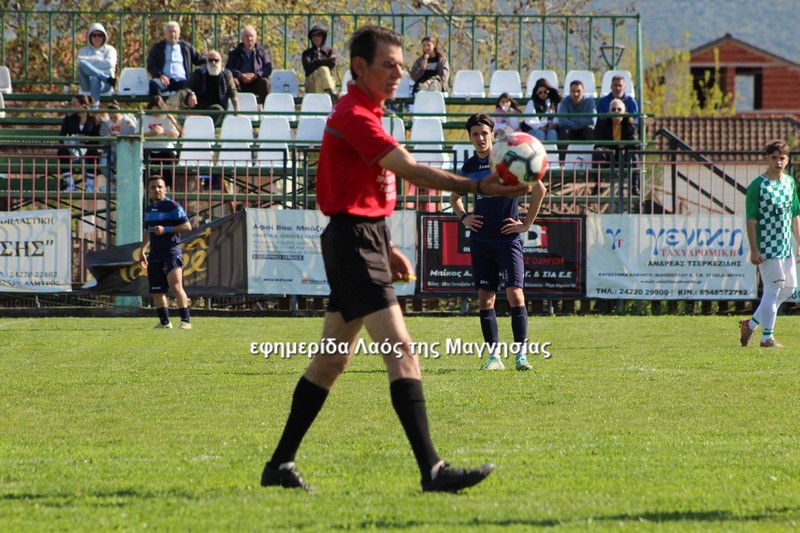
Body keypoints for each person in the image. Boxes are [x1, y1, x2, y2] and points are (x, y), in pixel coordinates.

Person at [261, 25, 529, 494]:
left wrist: (383, 246)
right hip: (353, 242)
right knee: (401, 351)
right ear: (359, 67)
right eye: (388, 65)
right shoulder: (354, 115)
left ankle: (279, 465)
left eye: (402, 66)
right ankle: (433, 471)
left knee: (330, 361)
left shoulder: (370, 112)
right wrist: (479, 185)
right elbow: (409, 169)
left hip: (360, 240)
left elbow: (361, 193)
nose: (398, 74)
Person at [449, 113, 546, 371]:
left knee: (515, 293)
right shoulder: (469, 167)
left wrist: (526, 224)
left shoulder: (509, 158)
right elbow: (454, 197)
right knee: (485, 298)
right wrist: (465, 218)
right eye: (475, 134)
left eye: (484, 133)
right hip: (481, 240)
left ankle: (521, 356)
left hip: (507, 239)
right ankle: (494, 358)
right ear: (470, 138)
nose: (480, 138)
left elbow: (539, 189)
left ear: (492, 134)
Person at [739, 140, 800, 349]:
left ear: (787, 160)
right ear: (767, 159)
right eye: (774, 158)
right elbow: (750, 219)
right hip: (767, 246)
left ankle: (750, 324)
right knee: (773, 290)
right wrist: (754, 249)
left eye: (782, 158)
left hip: (785, 246)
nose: (778, 162)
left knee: (790, 289)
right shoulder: (758, 186)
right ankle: (767, 338)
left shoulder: (789, 182)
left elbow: (795, 214)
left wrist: (799, 242)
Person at [139, 176, 193, 330]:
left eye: (159, 187)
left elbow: (187, 226)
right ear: (148, 190)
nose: (157, 190)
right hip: (155, 254)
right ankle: (165, 323)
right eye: (153, 187)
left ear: (165, 189)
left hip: (171, 252)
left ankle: (186, 321)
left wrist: (166, 229)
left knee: (176, 286)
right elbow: (147, 231)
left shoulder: (172, 206)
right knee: (157, 290)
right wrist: (142, 251)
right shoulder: (149, 209)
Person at [591, 97, 639, 194]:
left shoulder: (630, 124)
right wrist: (612, 146)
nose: (616, 111)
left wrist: (624, 145)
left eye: (619, 109)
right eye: (613, 109)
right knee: (597, 152)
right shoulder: (602, 123)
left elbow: (634, 141)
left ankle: (635, 187)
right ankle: (598, 186)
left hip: (624, 155)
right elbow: (598, 141)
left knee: (634, 156)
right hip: (608, 155)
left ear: (624, 112)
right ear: (609, 112)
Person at [147, 21, 206, 97]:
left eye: (175, 32)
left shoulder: (187, 47)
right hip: (164, 80)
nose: (172, 34)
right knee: (154, 84)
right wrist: (160, 75)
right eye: (170, 32)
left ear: (179, 34)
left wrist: (212, 59)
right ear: (165, 34)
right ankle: (157, 104)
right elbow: (151, 65)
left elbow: (199, 59)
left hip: (182, 80)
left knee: (194, 85)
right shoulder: (158, 48)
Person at [58, 94, 102, 192]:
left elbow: (97, 139)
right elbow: (62, 136)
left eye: (74, 104)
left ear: (83, 105)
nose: (72, 106)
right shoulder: (69, 118)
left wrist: (86, 138)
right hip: (73, 148)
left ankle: (89, 185)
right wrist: (73, 140)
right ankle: (70, 184)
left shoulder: (94, 119)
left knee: (93, 152)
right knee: (62, 151)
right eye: (71, 104)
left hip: (88, 148)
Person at [187, 50, 239, 127]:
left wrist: (237, 112)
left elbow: (233, 94)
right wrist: (191, 94)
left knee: (217, 110)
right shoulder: (199, 72)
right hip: (200, 107)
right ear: (207, 61)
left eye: (216, 60)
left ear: (221, 61)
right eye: (210, 60)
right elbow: (187, 87)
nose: (213, 63)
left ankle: (203, 128)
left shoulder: (227, 74)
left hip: (219, 108)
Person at [225, 26, 272, 104]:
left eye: (251, 36)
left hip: (256, 81)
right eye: (247, 36)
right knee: (232, 82)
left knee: (265, 82)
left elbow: (268, 68)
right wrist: (240, 75)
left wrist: (257, 75)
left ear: (255, 39)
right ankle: (234, 107)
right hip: (240, 82)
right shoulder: (234, 53)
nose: (249, 38)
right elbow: (228, 69)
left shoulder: (262, 52)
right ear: (242, 39)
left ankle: (266, 108)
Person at [141, 95, 180, 187]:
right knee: (144, 165)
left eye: (158, 111)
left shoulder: (168, 118)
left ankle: (168, 187)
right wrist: (149, 134)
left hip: (165, 148)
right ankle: (145, 188)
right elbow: (136, 134)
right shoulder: (143, 118)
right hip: (148, 149)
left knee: (168, 164)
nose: (156, 114)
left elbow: (176, 135)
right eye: (153, 111)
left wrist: (164, 131)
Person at [77, 23, 117, 108]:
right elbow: (81, 62)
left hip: (105, 85)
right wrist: (100, 61)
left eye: (100, 35)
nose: (97, 38)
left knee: (95, 78)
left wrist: (89, 63)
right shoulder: (83, 51)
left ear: (104, 37)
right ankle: (103, 77)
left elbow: (109, 63)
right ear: (90, 37)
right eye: (94, 35)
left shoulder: (110, 50)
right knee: (82, 64)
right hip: (89, 83)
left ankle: (94, 107)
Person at [302, 24, 338, 98]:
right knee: (323, 69)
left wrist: (316, 62)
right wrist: (325, 61)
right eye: (313, 36)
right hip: (311, 83)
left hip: (323, 82)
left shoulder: (330, 51)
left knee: (320, 79)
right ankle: (331, 93)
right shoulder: (307, 53)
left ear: (323, 37)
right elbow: (308, 67)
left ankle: (322, 100)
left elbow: (333, 62)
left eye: (318, 35)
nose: (316, 38)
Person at [521, 77, 560, 142]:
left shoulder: (554, 103)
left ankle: (552, 149)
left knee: (552, 133)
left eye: (545, 92)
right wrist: (539, 127)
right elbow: (530, 120)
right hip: (535, 129)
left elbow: (557, 117)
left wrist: (553, 125)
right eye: (540, 92)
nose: (543, 94)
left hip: (550, 128)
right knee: (540, 133)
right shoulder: (532, 103)